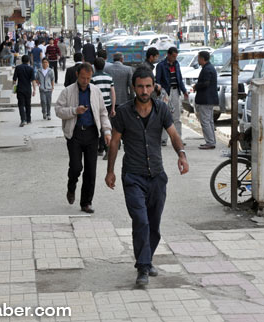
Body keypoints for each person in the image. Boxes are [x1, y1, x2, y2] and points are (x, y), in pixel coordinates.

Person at [105, 67, 189, 286]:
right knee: (140, 221)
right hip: (133, 176)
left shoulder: (161, 109)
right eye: (140, 86)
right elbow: (114, 142)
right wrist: (110, 171)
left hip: (157, 177)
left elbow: (173, 135)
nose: (144, 90)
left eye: (148, 86)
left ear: (154, 87)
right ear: (134, 88)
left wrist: (182, 154)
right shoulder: (123, 112)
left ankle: (147, 259)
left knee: (153, 224)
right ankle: (142, 268)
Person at [55, 63, 112, 214]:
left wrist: (107, 131)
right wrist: (74, 111)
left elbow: (103, 112)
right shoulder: (68, 92)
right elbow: (58, 110)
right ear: (77, 75)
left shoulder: (96, 91)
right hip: (74, 134)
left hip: (92, 134)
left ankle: (86, 202)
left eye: (88, 78)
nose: (85, 81)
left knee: (90, 171)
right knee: (76, 167)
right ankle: (71, 186)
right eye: (83, 78)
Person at [155, 47, 188, 146]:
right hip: (165, 92)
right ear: (168, 55)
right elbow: (158, 80)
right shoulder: (161, 65)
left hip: (175, 91)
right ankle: (163, 139)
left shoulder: (177, 64)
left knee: (177, 116)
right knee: (164, 115)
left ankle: (178, 138)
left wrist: (184, 90)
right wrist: (161, 92)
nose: (174, 58)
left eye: (176, 57)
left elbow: (180, 79)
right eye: (173, 56)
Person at [91, 57, 116, 160]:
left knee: (98, 127)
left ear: (94, 66)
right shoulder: (109, 77)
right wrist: (113, 107)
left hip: (97, 105)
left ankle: (102, 148)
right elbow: (113, 93)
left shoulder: (92, 78)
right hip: (108, 104)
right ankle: (105, 148)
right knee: (106, 127)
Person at [194, 51, 219, 149]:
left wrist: (196, 86)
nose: (198, 60)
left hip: (206, 99)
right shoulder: (209, 68)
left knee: (205, 121)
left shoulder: (207, 69)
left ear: (202, 58)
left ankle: (210, 142)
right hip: (208, 99)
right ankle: (211, 140)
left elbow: (206, 83)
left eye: (199, 58)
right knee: (209, 121)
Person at [13, 55, 37, 127]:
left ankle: (23, 120)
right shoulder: (31, 69)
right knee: (28, 104)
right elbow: (33, 80)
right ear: (28, 61)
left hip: (20, 89)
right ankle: (28, 119)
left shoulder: (17, 68)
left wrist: (14, 88)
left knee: (21, 105)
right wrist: (34, 90)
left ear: (21, 60)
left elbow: (14, 80)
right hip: (28, 89)